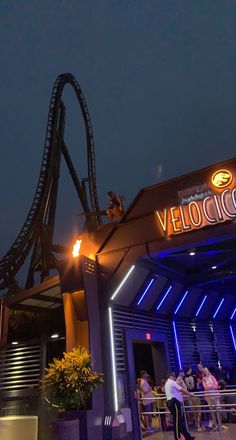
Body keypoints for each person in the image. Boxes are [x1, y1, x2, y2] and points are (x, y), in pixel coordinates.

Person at [165, 371, 195, 440]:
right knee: (177, 422)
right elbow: (182, 389)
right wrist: (190, 394)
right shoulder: (172, 382)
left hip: (172, 402)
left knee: (179, 421)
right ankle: (178, 437)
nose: (175, 378)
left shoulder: (167, 383)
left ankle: (187, 437)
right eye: (174, 376)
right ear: (171, 376)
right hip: (174, 402)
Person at [184, 366, 204, 432]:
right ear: (190, 369)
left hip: (189, 396)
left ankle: (197, 424)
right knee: (198, 410)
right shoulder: (194, 376)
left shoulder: (183, 378)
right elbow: (199, 383)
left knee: (194, 411)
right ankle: (198, 425)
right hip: (195, 395)